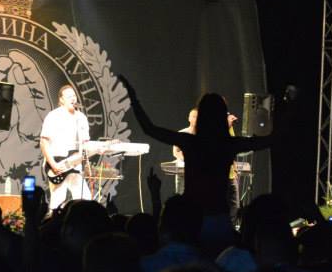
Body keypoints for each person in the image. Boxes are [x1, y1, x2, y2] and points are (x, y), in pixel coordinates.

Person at [118, 75, 277, 232]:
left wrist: (133, 99)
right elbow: (269, 140)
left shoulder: (190, 142)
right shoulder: (229, 144)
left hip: (192, 218)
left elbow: (150, 129)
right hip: (218, 217)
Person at [40, 84, 96, 210]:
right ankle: (54, 221)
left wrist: (93, 154)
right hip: (58, 164)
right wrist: (53, 164)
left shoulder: (81, 118)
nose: (73, 98)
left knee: (85, 199)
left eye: (74, 95)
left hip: (75, 165)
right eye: (69, 96)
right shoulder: (53, 116)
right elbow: (43, 142)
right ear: (61, 99)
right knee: (57, 200)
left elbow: (85, 144)